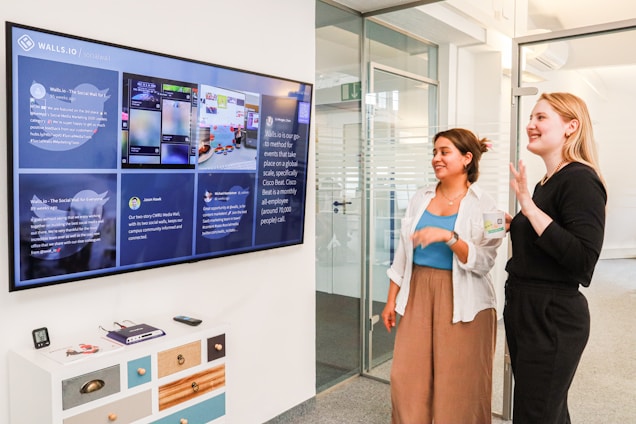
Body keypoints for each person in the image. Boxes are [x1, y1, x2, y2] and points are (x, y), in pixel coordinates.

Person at [381, 128, 502, 424]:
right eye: (434, 152)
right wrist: (390, 301)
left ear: (466, 158)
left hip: (465, 299)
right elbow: (402, 253)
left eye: (444, 152)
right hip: (418, 291)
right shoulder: (420, 197)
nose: (436, 158)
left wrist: (449, 237)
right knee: (407, 376)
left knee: (458, 382)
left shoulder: (487, 204)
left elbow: (485, 261)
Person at [505, 92, 606, 423]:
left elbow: (582, 261)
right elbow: (546, 241)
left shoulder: (580, 179)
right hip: (525, 307)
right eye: (530, 117)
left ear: (570, 127)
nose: (530, 125)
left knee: (537, 413)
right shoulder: (544, 182)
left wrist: (529, 209)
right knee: (544, 410)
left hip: (552, 316)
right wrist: (516, 223)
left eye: (541, 117)